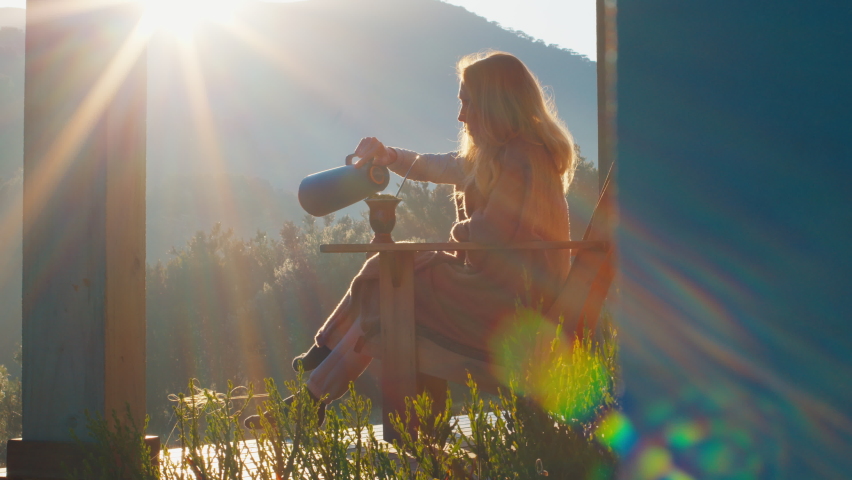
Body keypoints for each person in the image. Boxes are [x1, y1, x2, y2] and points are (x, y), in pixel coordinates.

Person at [245, 51, 578, 429]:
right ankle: (315, 386)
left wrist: (451, 241)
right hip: (504, 292)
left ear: (493, 104)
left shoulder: (522, 158)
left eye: (466, 103)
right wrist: (389, 156)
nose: (461, 115)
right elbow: (436, 167)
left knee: (396, 278)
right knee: (393, 278)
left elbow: (491, 237)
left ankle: (321, 367)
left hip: (512, 305)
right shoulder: (504, 154)